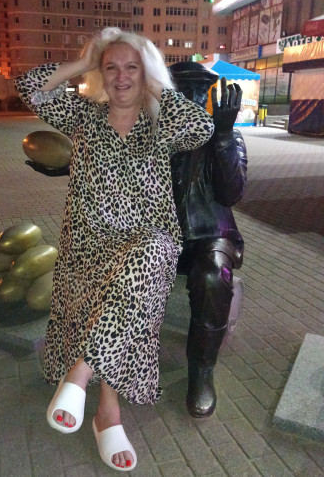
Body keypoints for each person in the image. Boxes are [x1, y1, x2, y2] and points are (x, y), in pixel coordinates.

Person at [15, 28, 214, 471]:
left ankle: (80, 372)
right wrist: (84, 62)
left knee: (146, 258)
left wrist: (155, 85)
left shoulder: (161, 120)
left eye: (132, 67)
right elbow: (29, 86)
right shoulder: (84, 116)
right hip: (88, 243)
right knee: (122, 294)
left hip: (148, 238)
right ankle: (107, 412)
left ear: (146, 72)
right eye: (112, 67)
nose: (121, 77)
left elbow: (202, 127)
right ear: (101, 74)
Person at [168, 62, 247, 418]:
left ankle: (201, 369)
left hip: (211, 236)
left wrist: (224, 137)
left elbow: (231, 193)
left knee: (213, 276)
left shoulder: (225, 136)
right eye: (181, 91)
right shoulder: (155, 136)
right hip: (162, 234)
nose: (190, 100)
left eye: (198, 92)